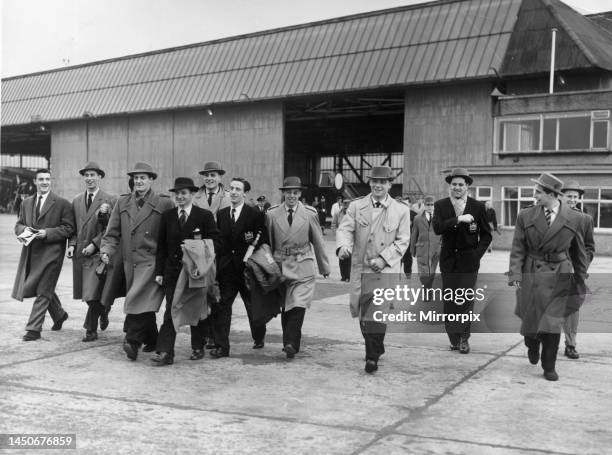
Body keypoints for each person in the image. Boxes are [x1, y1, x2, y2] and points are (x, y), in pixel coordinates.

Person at [509, 173, 588, 381]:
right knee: (531, 319)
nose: (535, 196)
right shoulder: (525, 216)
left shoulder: (575, 218)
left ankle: (549, 365)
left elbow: (579, 251)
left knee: (553, 323)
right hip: (531, 272)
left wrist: (580, 278)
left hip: (560, 273)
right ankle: (531, 343)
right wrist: (515, 274)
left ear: (552, 194)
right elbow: (518, 248)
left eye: (538, 192)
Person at [336, 166, 411, 373]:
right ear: (370, 183)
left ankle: (371, 358)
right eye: (374, 181)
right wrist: (343, 246)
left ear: (389, 184)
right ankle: (376, 346)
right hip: (361, 268)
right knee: (363, 315)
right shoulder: (356, 206)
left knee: (377, 313)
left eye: (383, 182)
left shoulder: (401, 210)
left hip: (385, 270)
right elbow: (345, 229)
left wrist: (384, 259)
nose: (378, 185)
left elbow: (403, 241)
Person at [100, 162, 174, 361]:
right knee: (142, 303)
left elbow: (172, 234)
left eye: (144, 178)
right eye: (136, 178)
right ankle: (152, 338)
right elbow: (111, 233)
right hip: (129, 264)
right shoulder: (122, 202)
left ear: (151, 180)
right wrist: (106, 250)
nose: (139, 181)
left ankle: (132, 340)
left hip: (152, 263)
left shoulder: (164, 203)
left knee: (136, 299)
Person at [153, 177, 220, 366]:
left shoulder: (204, 216)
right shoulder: (167, 216)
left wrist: (193, 247)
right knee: (171, 309)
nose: (180, 197)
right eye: (177, 194)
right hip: (173, 273)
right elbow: (161, 248)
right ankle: (166, 352)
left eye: (184, 193)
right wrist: (159, 272)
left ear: (192, 194)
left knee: (196, 308)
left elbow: (216, 243)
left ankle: (198, 345)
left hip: (196, 273)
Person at [266, 176, 330, 359]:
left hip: (303, 264)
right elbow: (268, 243)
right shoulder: (271, 214)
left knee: (298, 303)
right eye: (288, 192)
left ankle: (291, 343)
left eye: (295, 192)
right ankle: (289, 342)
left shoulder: (309, 213)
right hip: (281, 265)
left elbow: (318, 241)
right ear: (283, 193)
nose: (291, 196)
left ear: (300, 194)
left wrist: (324, 266)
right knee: (287, 306)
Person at [432, 168, 492, 354]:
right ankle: (454, 338)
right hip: (449, 260)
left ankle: (465, 338)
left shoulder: (478, 207)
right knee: (450, 300)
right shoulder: (441, 205)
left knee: (465, 300)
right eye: (454, 184)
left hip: (469, 261)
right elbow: (437, 228)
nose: (457, 187)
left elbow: (486, 235)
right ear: (450, 186)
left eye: (461, 184)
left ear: (467, 186)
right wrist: (458, 219)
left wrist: (476, 254)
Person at [12, 169, 75, 341]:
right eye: (41, 179)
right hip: (32, 253)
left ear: (51, 181)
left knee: (43, 290)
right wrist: (24, 230)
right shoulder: (26, 203)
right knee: (43, 288)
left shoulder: (62, 204)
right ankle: (59, 314)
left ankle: (33, 329)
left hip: (53, 254)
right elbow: (18, 225)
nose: (45, 182)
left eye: (47, 179)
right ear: (35, 182)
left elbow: (69, 229)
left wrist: (47, 233)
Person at [210, 178, 268, 358]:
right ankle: (221, 346)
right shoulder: (221, 214)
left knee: (252, 306)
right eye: (231, 188)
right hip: (227, 270)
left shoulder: (254, 215)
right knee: (222, 306)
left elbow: (262, 240)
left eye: (238, 189)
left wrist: (252, 258)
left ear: (244, 193)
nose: (233, 192)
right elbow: (219, 242)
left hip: (246, 270)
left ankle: (259, 335)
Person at [67, 162, 117, 342]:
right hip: (80, 253)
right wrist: (72, 245)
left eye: (93, 175)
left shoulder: (110, 200)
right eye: (86, 175)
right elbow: (72, 227)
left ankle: (90, 329)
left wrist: (95, 245)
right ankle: (104, 310)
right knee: (86, 294)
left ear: (100, 177)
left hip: (98, 253)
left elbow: (112, 230)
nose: (89, 178)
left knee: (93, 292)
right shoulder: (77, 200)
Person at [193, 161, 231, 349]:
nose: (209, 178)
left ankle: (215, 335)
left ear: (220, 177)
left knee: (217, 294)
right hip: (200, 252)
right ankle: (205, 334)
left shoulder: (228, 198)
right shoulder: (195, 197)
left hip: (221, 252)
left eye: (213, 175)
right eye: (206, 175)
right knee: (202, 293)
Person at [559, 179, 595, 360]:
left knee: (572, 309)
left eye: (575, 197)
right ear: (560, 196)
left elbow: (589, 247)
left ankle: (570, 344)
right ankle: (543, 342)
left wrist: (581, 266)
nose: (572, 199)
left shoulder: (585, 219)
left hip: (574, 273)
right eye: (568, 196)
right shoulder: (551, 216)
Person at [410, 195, 441, 297]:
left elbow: (443, 233)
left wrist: (441, 246)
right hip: (422, 248)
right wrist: (412, 250)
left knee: (432, 271)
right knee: (423, 272)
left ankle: (428, 288)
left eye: (432, 205)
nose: (430, 207)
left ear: (434, 206)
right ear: (424, 205)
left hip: (436, 249)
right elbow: (414, 234)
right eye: (427, 205)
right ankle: (426, 289)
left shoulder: (439, 218)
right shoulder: (417, 218)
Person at [332, 198, 352, 282]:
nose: (346, 205)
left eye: (348, 204)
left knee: (349, 258)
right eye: (345, 203)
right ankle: (343, 276)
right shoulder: (337, 213)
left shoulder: (353, 213)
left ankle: (348, 276)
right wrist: (336, 233)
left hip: (349, 239)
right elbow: (333, 224)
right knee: (341, 258)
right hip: (340, 238)